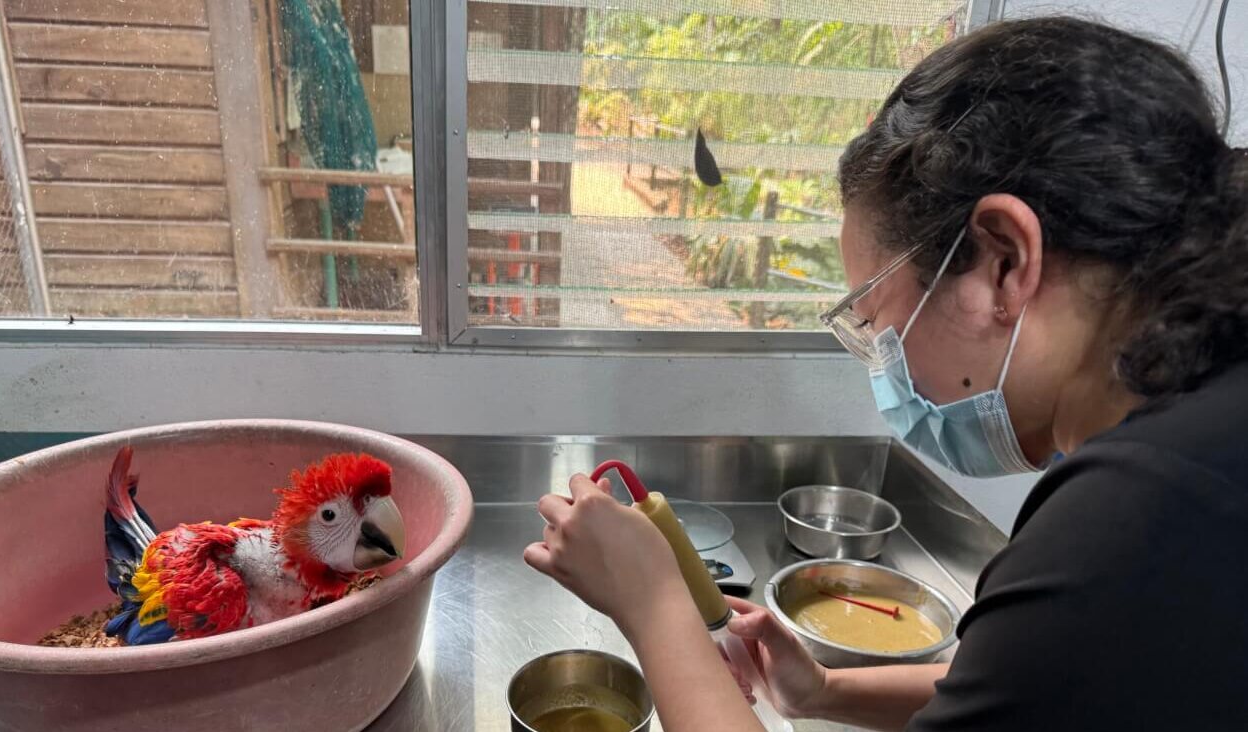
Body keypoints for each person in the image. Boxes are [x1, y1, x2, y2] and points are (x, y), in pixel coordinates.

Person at [524, 16, 1248, 732]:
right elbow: (1028, 683)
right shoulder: (1200, 438)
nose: (883, 362)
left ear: (1003, 260)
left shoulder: (1141, 521)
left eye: (873, 314)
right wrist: (824, 692)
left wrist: (655, 611)